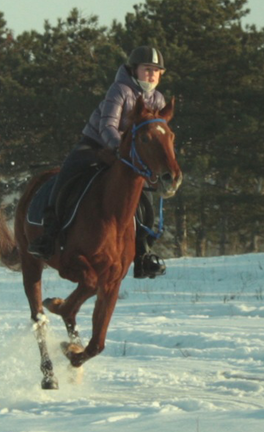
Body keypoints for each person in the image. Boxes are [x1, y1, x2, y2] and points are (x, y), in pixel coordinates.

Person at [31, 45, 168, 278]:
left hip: (127, 157)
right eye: (147, 69)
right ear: (134, 69)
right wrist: (118, 149)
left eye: (156, 70)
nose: (152, 74)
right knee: (66, 177)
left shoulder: (158, 99)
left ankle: (143, 252)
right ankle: (48, 236)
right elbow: (107, 126)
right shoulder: (120, 90)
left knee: (144, 198)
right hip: (95, 145)